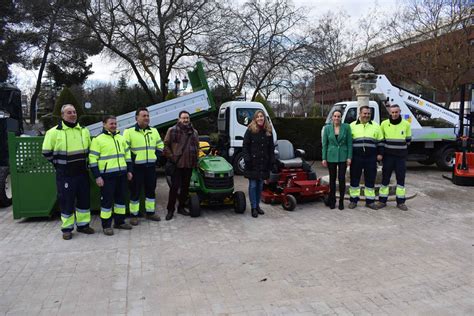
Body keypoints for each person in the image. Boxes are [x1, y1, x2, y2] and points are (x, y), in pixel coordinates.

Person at [42, 104, 95, 240]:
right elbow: (46, 152)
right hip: (65, 174)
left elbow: (89, 149)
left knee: (84, 200)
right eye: (69, 112)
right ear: (62, 115)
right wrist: (59, 164)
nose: (72, 114)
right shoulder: (53, 132)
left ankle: (83, 225)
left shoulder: (84, 131)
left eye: (74, 112)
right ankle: (67, 229)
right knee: (66, 201)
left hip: (82, 173)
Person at [89, 116, 133, 235]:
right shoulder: (98, 140)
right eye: (111, 123)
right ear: (104, 124)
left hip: (122, 175)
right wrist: (97, 176)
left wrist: (129, 171)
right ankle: (106, 226)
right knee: (107, 202)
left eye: (115, 123)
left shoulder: (121, 138)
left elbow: (127, 156)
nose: (113, 125)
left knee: (120, 200)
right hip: (107, 177)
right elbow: (92, 159)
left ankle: (119, 222)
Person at [123, 108, 164, 225]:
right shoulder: (129, 132)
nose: (146, 118)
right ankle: (134, 215)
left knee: (151, 190)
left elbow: (160, 144)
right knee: (135, 192)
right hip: (136, 168)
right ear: (136, 118)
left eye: (147, 115)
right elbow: (125, 149)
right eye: (143, 116)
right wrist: (132, 162)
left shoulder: (154, 131)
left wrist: (157, 155)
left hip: (151, 167)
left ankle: (150, 213)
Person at [163, 111, 199, 221]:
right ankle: (170, 210)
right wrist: (172, 157)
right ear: (179, 119)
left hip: (189, 164)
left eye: (187, 118)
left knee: (185, 188)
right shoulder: (172, 130)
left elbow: (197, 147)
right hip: (177, 164)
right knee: (174, 188)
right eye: (183, 118)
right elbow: (166, 145)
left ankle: (181, 207)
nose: (185, 120)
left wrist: (195, 161)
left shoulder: (194, 132)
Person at [377, 104, 412, 211]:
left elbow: (408, 140)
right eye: (392, 112)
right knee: (385, 179)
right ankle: (382, 201)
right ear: (390, 112)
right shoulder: (384, 124)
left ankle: (401, 202)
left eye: (396, 112)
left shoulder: (406, 124)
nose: (394, 114)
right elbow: (381, 141)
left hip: (400, 158)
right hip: (388, 157)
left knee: (401, 179)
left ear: (399, 111)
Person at [349, 105, 383, 210]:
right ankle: (353, 200)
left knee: (370, 179)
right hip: (356, 158)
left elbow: (381, 142)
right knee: (354, 179)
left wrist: (380, 154)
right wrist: (349, 157)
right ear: (359, 114)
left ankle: (370, 201)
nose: (366, 115)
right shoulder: (352, 126)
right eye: (364, 113)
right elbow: (348, 143)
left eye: (368, 113)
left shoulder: (376, 126)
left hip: (371, 158)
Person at [242, 110, 276, 218]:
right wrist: (247, 158)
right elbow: (245, 146)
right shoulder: (250, 130)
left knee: (260, 185)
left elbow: (271, 148)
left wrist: (272, 161)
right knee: (253, 185)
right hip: (252, 163)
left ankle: (258, 206)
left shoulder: (268, 131)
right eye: (258, 117)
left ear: (264, 118)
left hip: (263, 163)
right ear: (255, 119)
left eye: (262, 116)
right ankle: (253, 207)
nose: (260, 118)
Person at [322, 110, 352, 210]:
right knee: (332, 179)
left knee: (342, 179)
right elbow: (325, 144)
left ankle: (341, 201)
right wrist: (324, 158)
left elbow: (349, 143)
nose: (336, 118)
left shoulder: (346, 127)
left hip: (343, 156)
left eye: (338, 116)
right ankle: (332, 200)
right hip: (331, 156)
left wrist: (349, 157)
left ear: (341, 118)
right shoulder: (327, 128)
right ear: (332, 117)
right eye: (335, 116)